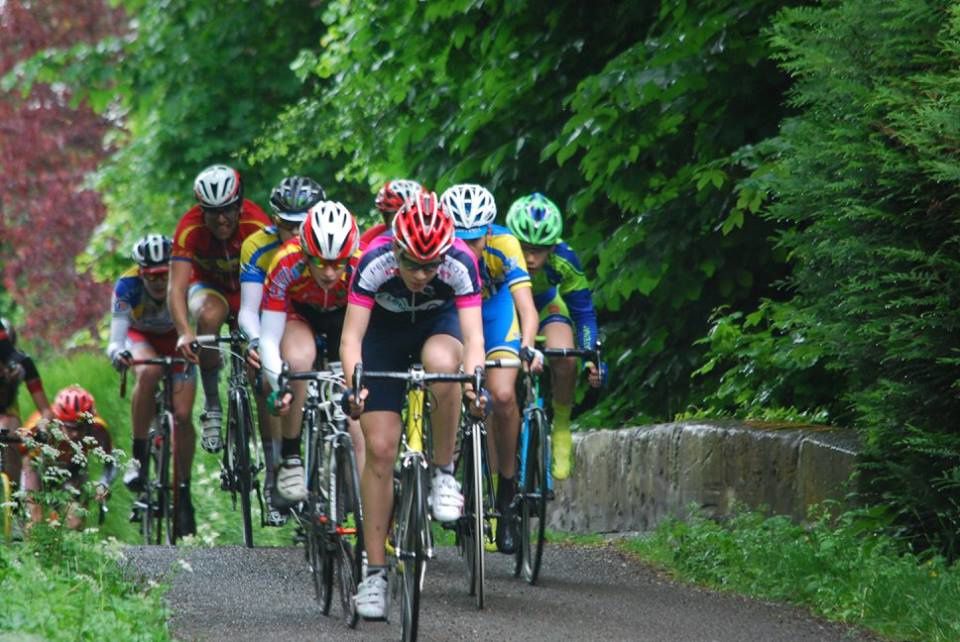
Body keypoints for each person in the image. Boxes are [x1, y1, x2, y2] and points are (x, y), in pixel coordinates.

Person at [340, 191, 487, 619]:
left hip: (434, 329)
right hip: (382, 337)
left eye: (431, 265)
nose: (422, 275)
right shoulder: (373, 261)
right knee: (381, 450)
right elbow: (351, 338)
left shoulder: (460, 261)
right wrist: (355, 387)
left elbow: (474, 338)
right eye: (412, 265)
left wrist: (475, 382)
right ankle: (375, 573)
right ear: (396, 250)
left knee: (446, 364)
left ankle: (443, 471)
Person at [440, 183, 543, 555]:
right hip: (457, 317)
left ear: (487, 231)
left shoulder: (506, 244)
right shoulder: (439, 248)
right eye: (460, 239)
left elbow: (526, 308)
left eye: (475, 239)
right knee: (448, 378)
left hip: (495, 315)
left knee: (501, 394)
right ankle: (447, 474)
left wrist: (529, 345)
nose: (467, 248)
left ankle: (507, 494)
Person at [259, 200, 364, 506]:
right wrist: (279, 382)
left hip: (345, 318)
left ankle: (367, 505)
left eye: (338, 263)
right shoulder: (285, 261)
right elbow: (268, 337)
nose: (330, 273)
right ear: (304, 254)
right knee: (299, 361)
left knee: (356, 404)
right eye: (320, 263)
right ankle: (291, 456)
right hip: (300, 315)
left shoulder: (361, 263)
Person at [238, 175, 325, 525]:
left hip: (320, 317)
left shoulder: (332, 243)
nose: (294, 235)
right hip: (274, 317)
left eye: (301, 226)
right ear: (275, 221)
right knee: (266, 381)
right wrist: (257, 344)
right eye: (287, 226)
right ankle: (277, 469)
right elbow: (248, 309)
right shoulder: (258, 246)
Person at [169, 164, 271, 454]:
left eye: (228, 209)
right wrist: (184, 332)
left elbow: (273, 276)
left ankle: (275, 462)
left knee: (261, 377)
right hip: (209, 287)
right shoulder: (189, 228)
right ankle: (212, 405)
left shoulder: (256, 223)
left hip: (247, 292)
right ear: (202, 210)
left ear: (240, 205)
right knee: (209, 315)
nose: (221, 219)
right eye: (212, 212)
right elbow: (176, 288)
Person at [505, 192, 606, 480]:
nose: (531, 257)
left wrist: (591, 357)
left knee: (566, 357)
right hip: (510, 308)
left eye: (541, 249)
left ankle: (561, 424)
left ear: (554, 246)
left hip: (547, 305)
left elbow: (583, 313)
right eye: (524, 247)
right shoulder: (500, 251)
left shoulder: (565, 259)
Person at [106, 234, 199, 534]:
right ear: (140, 273)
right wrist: (118, 354)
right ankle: (138, 458)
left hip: (177, 340)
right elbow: (116, 340)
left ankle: (183, 489)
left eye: (164, 274)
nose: (159, 283)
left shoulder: (188, 279)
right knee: (146, 372)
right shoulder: (127, 286)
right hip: (142, 339)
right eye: (151, 276)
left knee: (183, 417)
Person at [19, 385, 115, 531]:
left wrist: (104, 483)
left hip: (73, 469)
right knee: (35, 522)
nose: (75, 434)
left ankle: (68, 550)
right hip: (37, 467)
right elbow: (18, 452)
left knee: (75, 523)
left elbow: (110, 462)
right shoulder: (40, 422)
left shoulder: (99, 429)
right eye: (69, 427)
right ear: (58, 419)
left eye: (80, 427)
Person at [0, 317, 53, 491]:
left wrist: (44, 428)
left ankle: (13, 500)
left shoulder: (23, 363)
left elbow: (45, 409)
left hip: (7, 413)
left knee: (7, 430)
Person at [357, 178, 425, 249]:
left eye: (413, 218)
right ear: (386, 218)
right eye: (397, 219)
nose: (404, 225)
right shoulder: (371, 237)